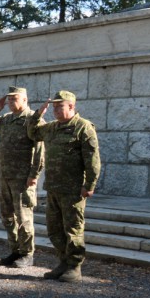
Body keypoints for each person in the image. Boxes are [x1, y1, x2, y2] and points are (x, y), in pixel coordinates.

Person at [28, 90, 100, 283]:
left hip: (73, 190)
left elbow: (92, 160)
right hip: (53, 187)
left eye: (60, 107)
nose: (56, 111)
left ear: (71, 107)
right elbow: (33, 132)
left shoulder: (83, 128)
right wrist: (38, 114)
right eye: (54, 107)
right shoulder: (51, 127)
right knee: (54, 229)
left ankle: (75, 267)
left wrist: (89, 184)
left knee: (73, 229)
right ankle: (63, 262)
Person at [0, 86, 45, 268]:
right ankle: (15, 250)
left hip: (23, 178)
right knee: (7, 216)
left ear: (25, 100)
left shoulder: (32, 119)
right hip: (6, 176)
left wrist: (34, 175)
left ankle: (27, 254)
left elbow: (40, 151)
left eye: (13, 99)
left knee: (24, 217)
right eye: (8, 100)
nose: (10, 102)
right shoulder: (6, 119)